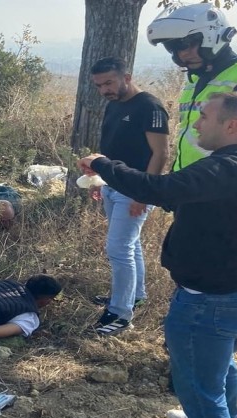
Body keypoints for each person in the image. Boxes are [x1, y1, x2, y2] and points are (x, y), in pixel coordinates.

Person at [78, 92, 237, 418]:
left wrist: (103, 164)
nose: (197, 125)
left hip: (208, 301)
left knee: (200, 390)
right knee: (219, 365)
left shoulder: (224, 169)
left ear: (231, 125)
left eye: (204, 117)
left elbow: (157, 189)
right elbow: (188, 200)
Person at [146, 1, 237, 171]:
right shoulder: (195, 80)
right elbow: (188, 142)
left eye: (187, 44)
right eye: (173, 48)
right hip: (188, 181)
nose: (183, 54)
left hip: (220, 182)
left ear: (211, 36)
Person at [88, 57, 170, 336]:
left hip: (134, 191)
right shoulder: (113, 105)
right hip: (111, 186)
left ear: (127, 77)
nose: (104, 90)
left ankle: (121, 314)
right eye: (99, 86)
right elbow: (110, 150)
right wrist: (99, 180)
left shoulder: (150, 107)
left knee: (118, 249)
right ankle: (135, 296)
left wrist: (144, 194)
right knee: (129, 245)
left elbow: (161, 153)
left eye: (109, 83)